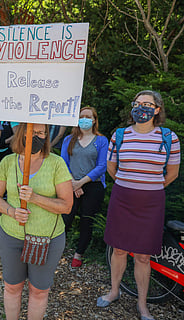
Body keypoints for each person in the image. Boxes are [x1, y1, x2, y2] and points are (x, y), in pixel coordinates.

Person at [97, 90, 180, 320]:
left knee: (143, 256)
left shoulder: (168, 137)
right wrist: (130, 183)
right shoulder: (120, 135)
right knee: (119, 249)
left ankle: (142, 305)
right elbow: (112, 166)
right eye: (137, 103)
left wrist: (149, 185)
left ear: (157, 109)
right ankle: (114, 291)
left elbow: (172, 173)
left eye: (147, 103)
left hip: (151, 202)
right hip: (122, 198)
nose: (141, 107)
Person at [0, 123, 73, 320]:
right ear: (21, 134)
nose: (36, 136)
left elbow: (66, 206)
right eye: (31, 132)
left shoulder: (56, 163)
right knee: (12, 286)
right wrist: (11, 211)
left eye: (41, 133)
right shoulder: (8, 162)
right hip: (11, 236)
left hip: (47, 240)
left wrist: (35, 198)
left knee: (39, 290)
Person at [60, 107, 108, 267]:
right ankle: (57, 249)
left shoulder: (101, 141)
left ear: (94, 120)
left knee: (87, 221)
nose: (85, 119)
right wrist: (74, 183)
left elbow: (102, 166)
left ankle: (78, 254)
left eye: (88, 116)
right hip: (70, 183)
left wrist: (81, 183)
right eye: (81, 116)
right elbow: (63, 163)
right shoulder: (69, 139)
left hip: (92, 186)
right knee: (65, 218)